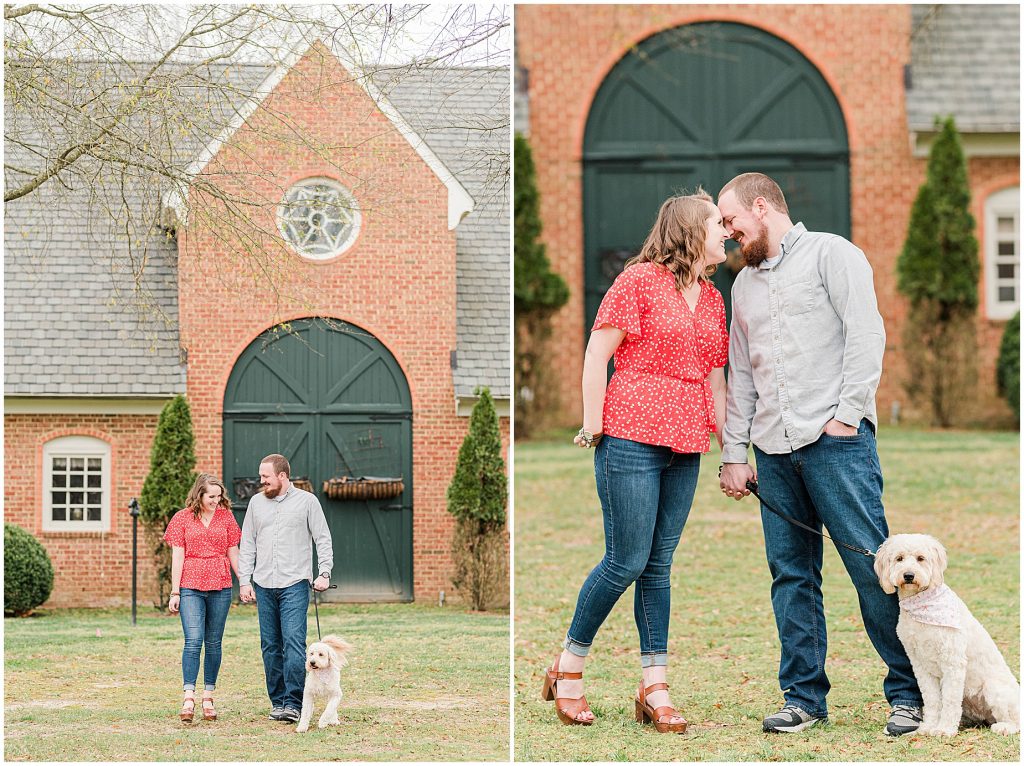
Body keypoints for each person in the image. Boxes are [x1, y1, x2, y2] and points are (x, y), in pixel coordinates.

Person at [716, 172, 924, 736]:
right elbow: (742, 378)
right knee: (791, 577)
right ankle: (803, 698)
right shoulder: (744, 288)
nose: (728, 233)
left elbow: (866, 335)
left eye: (732, 219)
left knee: (874, 570)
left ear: (762, 207)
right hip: (774, 452)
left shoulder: (835, 254)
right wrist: (735, 452)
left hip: (838, 445)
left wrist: (847, 416)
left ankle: (910, 695)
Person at [542, 192, 729, 732]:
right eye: (719, 223)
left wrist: (729, 444)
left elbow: (714, 375)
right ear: (691, 230)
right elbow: (598, 351)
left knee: (660, 565)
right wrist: (593, 420)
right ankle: (569, 666)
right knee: (626, 559)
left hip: (687, 440)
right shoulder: (639, 281)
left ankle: (655, 685)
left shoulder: (715, 299)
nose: (727, 233)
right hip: (630, 435)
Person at [238, 453, 333, 724]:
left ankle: (293, 703)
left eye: (266, 477)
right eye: (261, 477)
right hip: (264, 583)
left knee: (293, 644)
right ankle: (278, 701)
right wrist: (245, 580)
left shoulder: (307, 502)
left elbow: (322, 538)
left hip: (295, 584)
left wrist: (324, 572)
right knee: (270, 645)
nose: (261, 481)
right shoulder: (256, 503)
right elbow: (248, 544)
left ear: (282, 476)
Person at [165, 473, 242, 723]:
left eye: (219, 496)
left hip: (220, 584)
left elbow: (233, 551)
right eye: (211, 496)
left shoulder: (226, 516)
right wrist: (174, 591)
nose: (216, 501)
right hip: (190, 585)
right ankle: (189, 696)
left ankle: (208, 696)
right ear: (199, 494)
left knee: (214, 642)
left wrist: (245, 581)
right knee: (193, 640)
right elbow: (177, 555)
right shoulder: (182, 518)